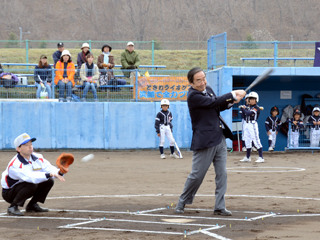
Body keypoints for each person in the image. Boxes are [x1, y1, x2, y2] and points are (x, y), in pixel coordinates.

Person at [175, 67, 246, 216]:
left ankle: (219, 206)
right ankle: (182, 202)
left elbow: (218, 106)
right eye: (198, 80)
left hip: (219, 137)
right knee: (197, 175)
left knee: (222, 174)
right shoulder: (193, 96)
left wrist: (232, 101)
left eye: (203, 78)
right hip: (205, 140)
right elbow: (212, 102)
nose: (202, 82)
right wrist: (233, 94)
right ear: (191, 83)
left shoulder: (208, 89)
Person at [1, 133, 65, 216]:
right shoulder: (15, 165)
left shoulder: (38, 157)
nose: (30, 146)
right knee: (32, 184)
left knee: (49, 181)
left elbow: (49, 168)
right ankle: (13, 207)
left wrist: (60, 171)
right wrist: (50, 174)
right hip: (10, 193)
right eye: (26, 145)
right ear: (18, 149)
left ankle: (32, 205)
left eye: (31, 144)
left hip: (25, 186)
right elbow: (30, 178)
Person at [239, 92, 265, 163]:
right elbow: (244, 116)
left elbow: (248, 113)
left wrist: (243, 109)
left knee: (256, 140)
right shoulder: (248, 107)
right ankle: (248, 157)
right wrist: (243, 109)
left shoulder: (256, 108)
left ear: (256, 100)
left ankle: (261, 157)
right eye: (250, 99)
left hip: (252, 124)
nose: (252, 100)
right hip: (246, 124)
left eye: (253, 99)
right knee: (247, 140)